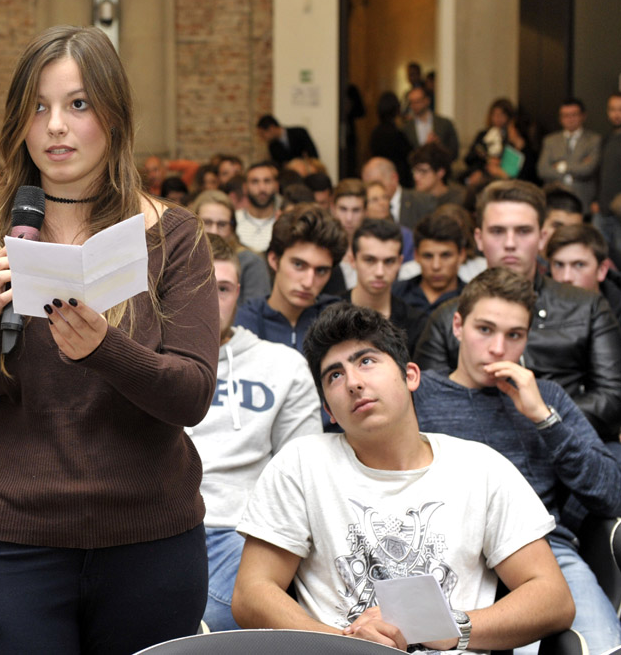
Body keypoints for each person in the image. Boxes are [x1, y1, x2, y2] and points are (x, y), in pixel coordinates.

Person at [0, 25, 217, 653]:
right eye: (38, 107)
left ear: (114, 116)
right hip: (11, 539)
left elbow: (191, 395)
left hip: (148, 538)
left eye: (78, 104)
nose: (55, 126)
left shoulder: (172, 235)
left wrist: (105, 350)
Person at [231, 302, 575, 652]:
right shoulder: (301, 465)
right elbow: (251, 593)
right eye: (334, 375)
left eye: (367, 361)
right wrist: (346, 647)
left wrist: (448, 626)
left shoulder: (481, 467)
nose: (353, 383)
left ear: (411, 376)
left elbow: (554, 599)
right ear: (328, 410)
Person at [413, 268, 621, 654]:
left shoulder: (546, 397)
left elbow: (611, 494)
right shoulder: (419, 394)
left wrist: (543, 418)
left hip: (543, 551)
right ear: (458, 326)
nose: (497, 348)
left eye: (514, 335)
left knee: (601, 648)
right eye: (485, 330)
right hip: (448, 552)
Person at [414, 179, 621, 442]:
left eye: (523, 231)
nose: (510, 243)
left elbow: (613, 398)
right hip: (475, 448)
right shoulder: (447, 316)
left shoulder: (587, 306)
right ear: (479, 238)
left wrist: (542, 416)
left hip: (571, 441)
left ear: (543, 237)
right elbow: (430, 402)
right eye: (497, 231)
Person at [188, 235, 321, 632]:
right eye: (196, 286)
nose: (209, 300)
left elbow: (302, 470)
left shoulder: (282, 365)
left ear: (239, 294)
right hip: (161, 524)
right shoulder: (143, 359)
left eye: (222, 289)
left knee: (224, 619)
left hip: (242, 530)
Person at [234, 204, 345, 353]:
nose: (308, 282)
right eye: (298, 265)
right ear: (274, 260)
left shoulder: (340, 321)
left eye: (321, 270)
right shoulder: (242, 323)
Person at [341, 219, 426, 354]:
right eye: (370, 260)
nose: (379, 272)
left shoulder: (416, 323)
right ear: (352, 260)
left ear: (400, 263)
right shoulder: (326, 312)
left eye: (389, 261)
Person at [189, 190, 271, 304]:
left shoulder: (251, 262)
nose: (214, 231)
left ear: (232, 228)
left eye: (222, 224)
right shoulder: (182, 259)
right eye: (207, 223)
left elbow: (256, 311)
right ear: (194, 225)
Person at [392, 211, 467, 316]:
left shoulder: (472, 300)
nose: (436, 266)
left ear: (461, 255)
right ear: (416, 255)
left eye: (445, 255)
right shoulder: (394, 294)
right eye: (428, 256)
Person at [546, 223, 621, 320]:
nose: (566, 277)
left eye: (579, 265)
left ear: (601, 270)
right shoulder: (535, 306)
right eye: (559, 265)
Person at [538, 99, 602, 213]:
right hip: (555, 197)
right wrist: (578, 165)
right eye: (565, 115)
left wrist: (561, 166)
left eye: (574, 115)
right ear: (560, 118)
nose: (570, 119)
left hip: (583, 199)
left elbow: (588, 169)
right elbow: (542, 170)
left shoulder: (594, 140)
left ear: (583, 116)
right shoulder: (550, 140)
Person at [464, 97, 531, 188]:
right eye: (494, 115)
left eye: (501, 115)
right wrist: (487, 162)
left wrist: (500, 165)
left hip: (502, 178)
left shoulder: (514, 143)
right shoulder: (483, 135)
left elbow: (517, 172)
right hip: (483, 172)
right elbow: (469, 158)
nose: (497, 119)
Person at [361, 156, 435, 231]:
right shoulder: (362, 214)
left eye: (376, 183)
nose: (371, 188)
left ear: (394, 178)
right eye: (366, 184)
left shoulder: (424, 202)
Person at [368, 91, 414, 189]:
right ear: (396, 109)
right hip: (399, 176)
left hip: (380, 173)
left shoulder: (375, 132)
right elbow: (408, 154)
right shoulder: (397, 132)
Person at [401, 85, 460, 160]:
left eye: (417, 101)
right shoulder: (406, 128)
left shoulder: (444, 124)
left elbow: (454, 152)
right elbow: (405, 156)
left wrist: (439, 146)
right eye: (412, 102)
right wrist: (426, 147)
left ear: (427, 101)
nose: (414, 105)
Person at [235, 162, 278, 252]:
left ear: (276, 186)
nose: (262, 188)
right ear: (245, 187)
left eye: (267, 181)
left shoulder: (284, 221)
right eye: (255, 182)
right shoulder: (234, 219)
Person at [409, 143, 465, 208]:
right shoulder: (411, 199)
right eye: (414, 171)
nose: (415, 177)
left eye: (423, 171)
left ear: (440, 172)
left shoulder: (459, 199)